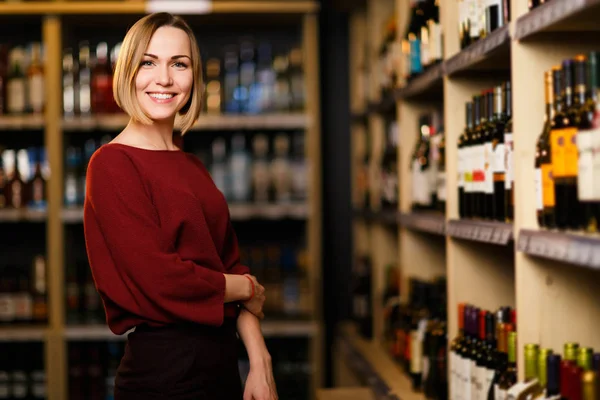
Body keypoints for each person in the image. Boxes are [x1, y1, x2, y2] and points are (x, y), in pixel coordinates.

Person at [83, 12, 278, 400]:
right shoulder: (111, 164)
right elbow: (160, 280)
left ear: (194, 77)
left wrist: (260, 362)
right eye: (148, 63)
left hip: (221, 368)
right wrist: (243, 288)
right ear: (128, 72)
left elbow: (229, 263)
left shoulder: (191, 164)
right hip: (164, 374)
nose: (165, 79)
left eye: (179, 64)